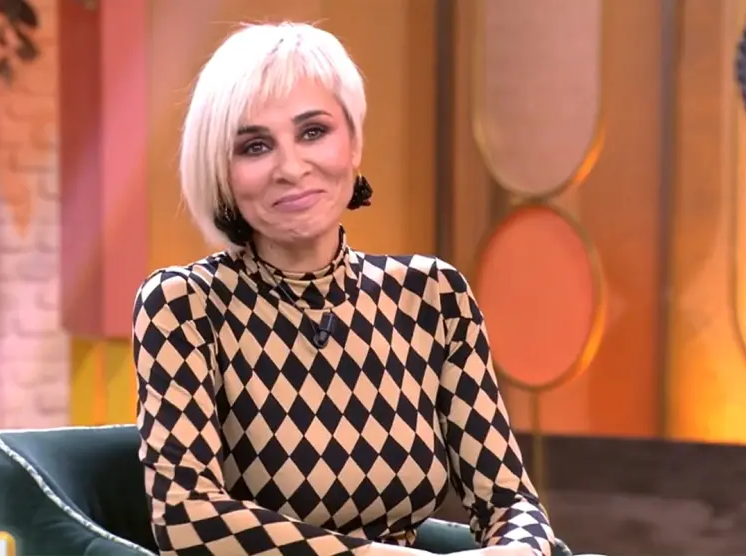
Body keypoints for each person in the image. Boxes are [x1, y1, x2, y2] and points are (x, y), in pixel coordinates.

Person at [133, 21, 556, 556]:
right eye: (255, 146)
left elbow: (509, 500)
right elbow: (185, 517)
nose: (291, 168)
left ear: (354, 143)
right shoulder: (184, 305)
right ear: (222, 172)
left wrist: (518, 551)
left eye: (313, 132)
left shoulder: (432, 296)